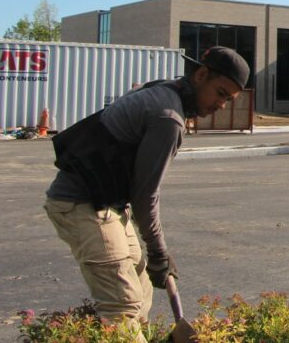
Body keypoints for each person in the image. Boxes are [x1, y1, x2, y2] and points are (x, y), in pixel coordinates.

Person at [45, 46, 249, 341]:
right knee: (121, 304)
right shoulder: (168, 118)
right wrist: (158, 251)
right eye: (220, 93)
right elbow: (145, 195)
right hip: (81, 204)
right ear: (201, 75)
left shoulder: (163, 89)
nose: (222, 105)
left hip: (109, 204)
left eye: (228, 100)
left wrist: (155, 255)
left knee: (140, 295)